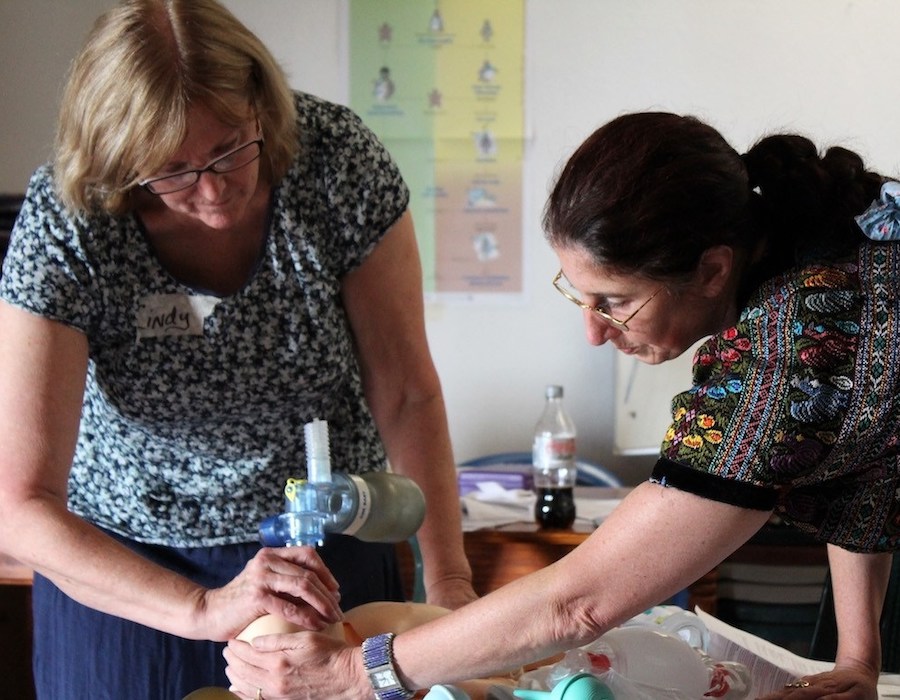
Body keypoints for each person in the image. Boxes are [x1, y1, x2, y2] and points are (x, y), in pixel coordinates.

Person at [223, 111, 900, 700]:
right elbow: (862, 467)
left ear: (713, 270)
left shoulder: (786, 349)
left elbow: (578, 605)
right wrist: (858, 660)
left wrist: (357, 675)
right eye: (576, 295)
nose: (594, 331)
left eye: (615, 301)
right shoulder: (831, 257)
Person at [0, 0, 476, 697]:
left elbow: (406, 392)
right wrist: (202, 609)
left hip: (324, 558)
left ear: (263, 105)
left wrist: (451, 590)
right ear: (119, 161)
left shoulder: (334, 163)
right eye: (172, 170)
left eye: (230, 147)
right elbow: (19, 503)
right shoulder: (71, 217)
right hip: (126, 573)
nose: (215, 189)